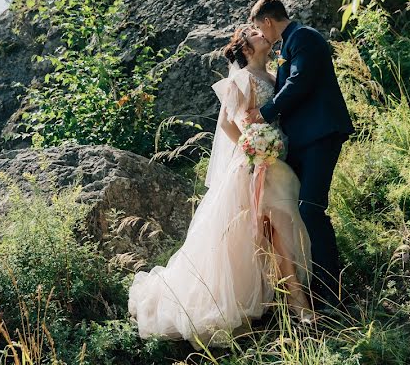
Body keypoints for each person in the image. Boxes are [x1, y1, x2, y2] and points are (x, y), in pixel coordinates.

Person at [128, 24, 313, 347]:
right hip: (254, 165)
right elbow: (229, 122)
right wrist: (252, 147)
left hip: (277, 163)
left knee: (279, 231)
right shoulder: (240, 79)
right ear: (245, 48)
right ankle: (298, 306)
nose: (262, 35)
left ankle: (293, 302)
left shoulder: (273, 78)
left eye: (260, 30)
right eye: (254, 34)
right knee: (265, 231)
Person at [246, 0, 355, 309]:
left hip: (321, 134)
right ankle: (316, 287)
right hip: (303, 141)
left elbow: (300, 81)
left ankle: (331, 292)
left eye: (258, 27)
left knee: (310, 209)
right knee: (301, 212)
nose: (260, 34)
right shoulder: (288, 44)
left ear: (267, 21)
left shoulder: (304, 37)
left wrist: (265, 113)